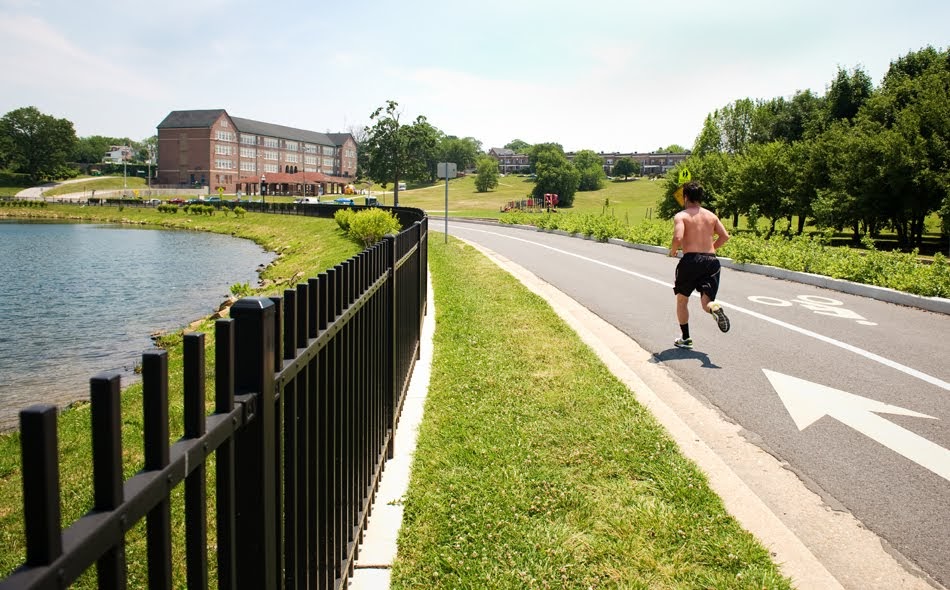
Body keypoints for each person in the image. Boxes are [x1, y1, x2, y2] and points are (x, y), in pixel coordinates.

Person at [669, 181, 731, 349]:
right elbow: (725, 236)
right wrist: (711, 249)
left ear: (685, 197)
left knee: (682, 300)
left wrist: (673, 251)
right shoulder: (711, 216)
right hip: (712, 262)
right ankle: (714, 308)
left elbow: (678, 238)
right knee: (706, 303)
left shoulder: (682, 216)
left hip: (691, 261)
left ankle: (686, 338)